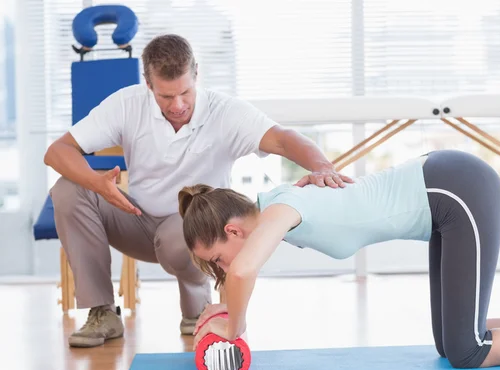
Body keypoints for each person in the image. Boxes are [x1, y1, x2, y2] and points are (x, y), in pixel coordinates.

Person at [43, 33, 353, 348]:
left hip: (187, 232)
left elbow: (283, 139)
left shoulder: (226, 111)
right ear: (148, 84)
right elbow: (57, 151)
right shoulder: (127, 104)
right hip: (134, 219)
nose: (177, 105)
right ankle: (102, 312)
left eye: (185, 92)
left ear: (196, 75)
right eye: (165, 96)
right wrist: (95, 182)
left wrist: (322, 167)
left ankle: (198, 309)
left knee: (188, 226)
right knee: (68, 190)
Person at [181, 149, 500, 369]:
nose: (221, 269)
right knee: (451, 341)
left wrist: (234, 330)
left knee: (467, 351)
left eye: (216, 258)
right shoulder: (281, 204)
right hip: (443, 195)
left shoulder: (279, 209)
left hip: (455, 189)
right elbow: (237, 270)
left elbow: (242, 269)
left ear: (234, 230)